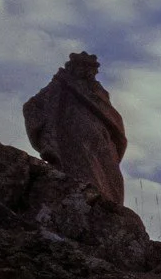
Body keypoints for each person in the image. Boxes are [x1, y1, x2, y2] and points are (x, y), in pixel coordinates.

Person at [21, 51, 128, 206]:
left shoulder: (98, 91)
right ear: (75, 67)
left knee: (111, 179)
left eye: (92, 69)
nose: (89, 72)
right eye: (85, 67)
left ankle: (107, 206)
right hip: (73, 136)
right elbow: (33, 107)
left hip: (101, 141)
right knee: (84, 174)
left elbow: (112, 118)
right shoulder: (61, 84)